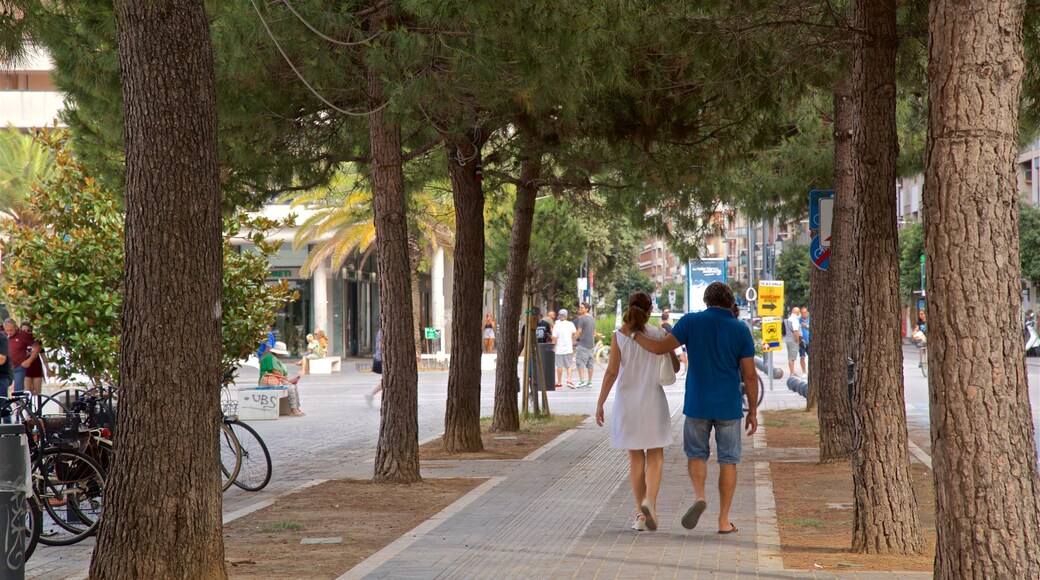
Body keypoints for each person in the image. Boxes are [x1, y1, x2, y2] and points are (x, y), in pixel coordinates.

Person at [632, 281, 757, 535]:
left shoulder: (690, 321)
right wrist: (752, 411)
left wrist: (634, 334)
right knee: (729, 460)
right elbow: (750, 374)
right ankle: (723, 521)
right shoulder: (740, 329)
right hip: (729, 405)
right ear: (730, 302)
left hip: (697, 403)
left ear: (706, 301)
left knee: (696, 454)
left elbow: (659, 348)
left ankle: (700, 496)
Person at [596, 292, 679, 532]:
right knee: (656, 455)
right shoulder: (658, 334)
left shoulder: (619, 336)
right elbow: (675, 367)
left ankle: (640, 516)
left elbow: (611, 372)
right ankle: (649, 502)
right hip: (653, 400)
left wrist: (600, 403)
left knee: (635, 459)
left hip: (627, 403)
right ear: (650, 309)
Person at [258, 341, 305, 417]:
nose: (283, 355)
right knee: (291, 387)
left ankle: (296, 407)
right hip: (269, 381)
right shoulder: (270, 358)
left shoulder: (275, 359)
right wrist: (288, 380)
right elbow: (276, 372)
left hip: (277, 380)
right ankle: (293, 409)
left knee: (293, 386)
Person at [4, 319, 41, 395]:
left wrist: (29, 360)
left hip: (19, 367)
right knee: (3, 388)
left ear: (16, 327)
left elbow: (37, 347)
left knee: (18, 390)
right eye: (7, 330)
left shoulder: (24, 335)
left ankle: (19, 402)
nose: (9, 333)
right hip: (5, 367)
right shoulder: (2, 336)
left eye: (11, 330)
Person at [572, 303, 597, 388]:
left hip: (583, 344)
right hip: (591, 345)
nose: (580, 309)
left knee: (580, 362)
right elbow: (594, 332)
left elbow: (579, 331)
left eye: (582, 308)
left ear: (587, 309)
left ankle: (582, 381)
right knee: (590, 364)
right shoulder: (593, 319)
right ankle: (589, 382)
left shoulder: (582, 319)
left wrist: (572, 340)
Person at [552, 309, 577, 389]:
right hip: (568, 348)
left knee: (559, 366)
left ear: (559, 316)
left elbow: (554, 339)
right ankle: (569, 380)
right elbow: (574, 334)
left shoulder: (556, 326)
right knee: (569, 365)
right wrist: (572, 341)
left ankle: (559, 383)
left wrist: (552, 346)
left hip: (559, 349)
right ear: (566, 316)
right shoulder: (570, 324)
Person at [19, 322, 45, 394]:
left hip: (36, 367)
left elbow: (43, 355)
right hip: (25, 369)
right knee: (28, 392)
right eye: (24, 331)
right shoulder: (18, 340)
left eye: (28, 330)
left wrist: (47, 369)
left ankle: (37, 402)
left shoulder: (37, 340)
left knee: (38, 393)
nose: (26, 332)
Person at [784, 307, 803, 377]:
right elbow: (795, 332)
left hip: (788, 340)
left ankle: (791, 371)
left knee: (790, 357)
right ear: (797, 312)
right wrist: (797, 340)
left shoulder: (788, 319)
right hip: (793, 340)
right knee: (792, 357)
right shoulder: (795, 320)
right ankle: (792, 372)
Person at [366, 329, 383, 406]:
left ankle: (371, 394)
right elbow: (381, 346)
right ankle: (371, 394)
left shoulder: (381, 330)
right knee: (388, 380)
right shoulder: (383, 331)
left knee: (387, 380)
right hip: (381, 360)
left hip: (380, 359)